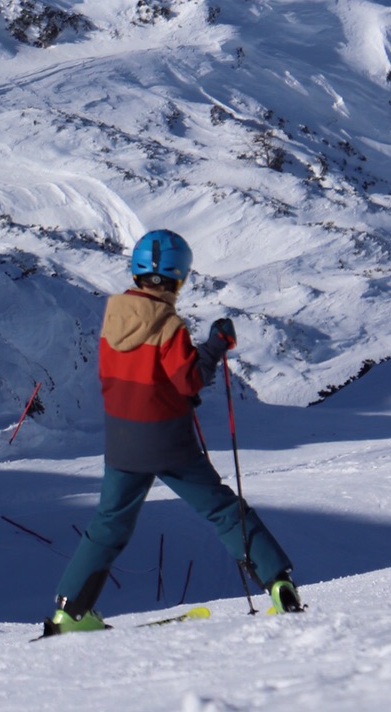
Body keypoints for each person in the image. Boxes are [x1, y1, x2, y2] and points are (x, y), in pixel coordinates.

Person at [43, 228, 303, 632]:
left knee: (108, 524)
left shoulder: (112, 318)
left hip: (122, 442)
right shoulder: (168, 324)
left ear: (137, 273)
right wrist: (216, 344)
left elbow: (138, 379)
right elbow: (188, 381)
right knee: (222, 510)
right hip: (167, 440)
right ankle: (279, 583)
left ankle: (69, 611)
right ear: (179, 276)